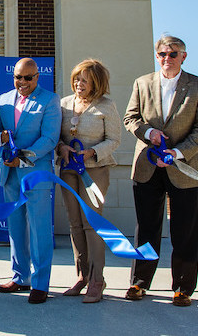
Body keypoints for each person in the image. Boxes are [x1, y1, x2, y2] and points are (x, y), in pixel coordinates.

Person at [123, 35, 198, 307]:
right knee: (146, 229)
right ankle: (139, 283)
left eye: (173, 54)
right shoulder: (142, 83)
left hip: (184, 167)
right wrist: (148, 133)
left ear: (183, 56)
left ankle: (183, 287)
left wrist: (176, 153)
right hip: (147, 166)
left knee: (184, 231)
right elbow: (131, 117)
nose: (167, 58)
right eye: (162, 53)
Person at [0, 58, 61, 304]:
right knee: (16, 228)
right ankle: (20, 277)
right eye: (18, 77)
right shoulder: (4, 99)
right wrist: (2, 137)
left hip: (35, 175)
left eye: (28, 78)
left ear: (37, 77)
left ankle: (40, 283)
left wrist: (21, 158)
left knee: (40, 230)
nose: (22, 82)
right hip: (9, 175)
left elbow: (50, 139)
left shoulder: (50, 100)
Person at [55, 59, 120, 303]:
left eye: (85, 80)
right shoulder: (63, 104)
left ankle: (97, 280)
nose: (79, 84)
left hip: (95, 170)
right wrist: (61, 147)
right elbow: (57, 137)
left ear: (97, 83)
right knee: (74, 223)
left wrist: (92, 153)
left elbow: (114, 140)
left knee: (91, 223)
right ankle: (81, 276)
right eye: (76, 79)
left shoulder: (107, 105)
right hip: (68, 169)